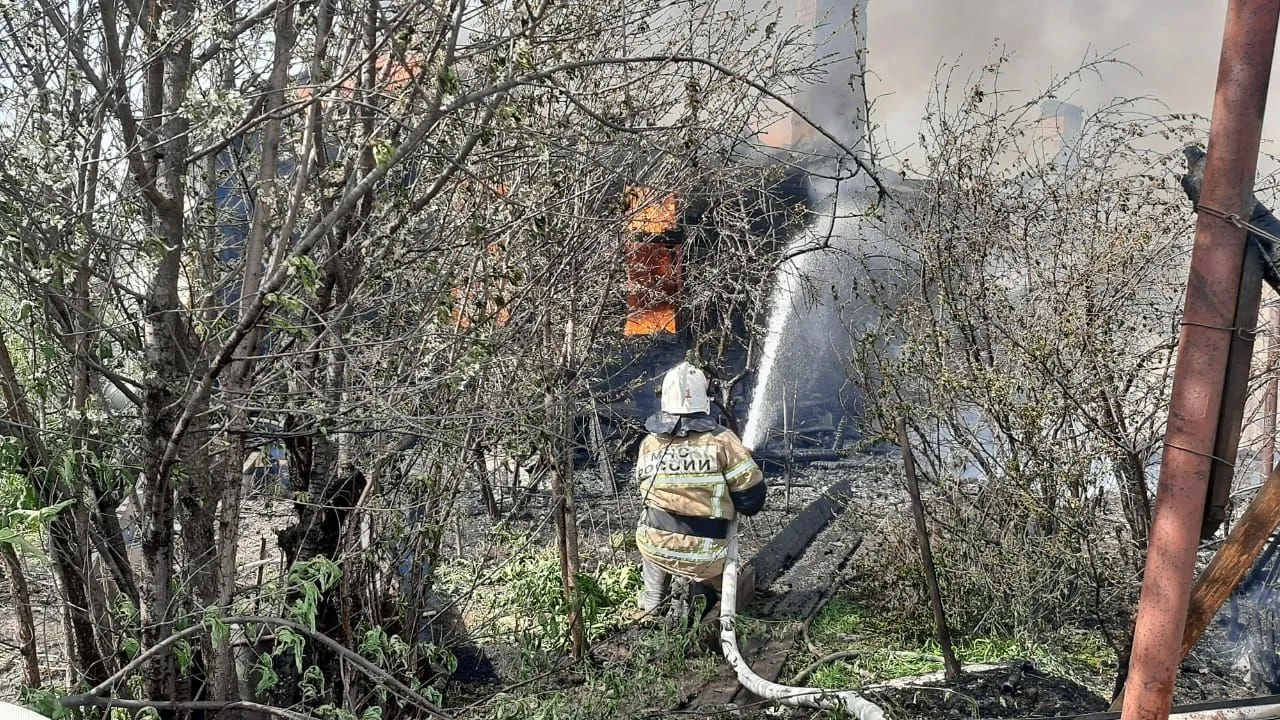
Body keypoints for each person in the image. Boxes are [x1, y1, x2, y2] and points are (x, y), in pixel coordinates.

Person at [633, 361, 766, 624]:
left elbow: (646, 492)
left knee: (653, 528)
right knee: (728, 590)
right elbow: (751, 502)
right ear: (705, 400)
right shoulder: (723, 440)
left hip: (656, 545)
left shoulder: (649, 444)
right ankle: (714, 606)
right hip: (706, 553)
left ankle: (651, 602)